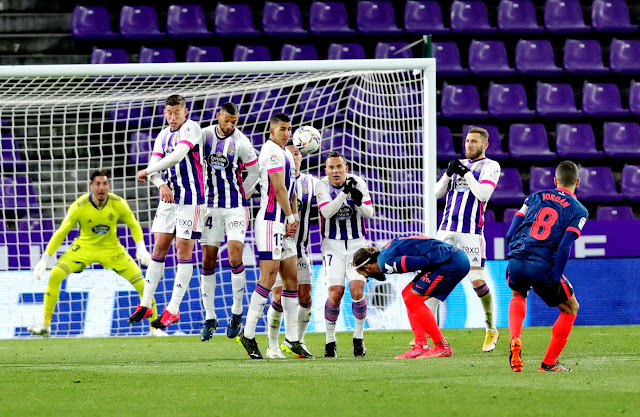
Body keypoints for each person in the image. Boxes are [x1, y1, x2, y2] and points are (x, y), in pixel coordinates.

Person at [29, 171, 165, 337]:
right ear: (91, 186)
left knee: (144, 285)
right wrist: (45, 259)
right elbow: (61, 232)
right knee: (56, 272)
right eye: (98, 184)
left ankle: (154, 328)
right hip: (84, 247)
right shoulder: (79, 206)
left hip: (112, 250)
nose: (101, 188)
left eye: (104, 184)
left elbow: (134, 224)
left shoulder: (118, 203)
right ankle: (45, 325)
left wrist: (141, 247)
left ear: (109, 186)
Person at [236, 113, 311, 360]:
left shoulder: (287, 153)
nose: (286, 133)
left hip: (285, 223)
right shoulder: (271, 151)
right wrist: (290, 217)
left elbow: (290, 190)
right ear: (271, 131)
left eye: (289, 129)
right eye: (282, 129)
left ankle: (291, 339)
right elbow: (278, 187)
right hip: (270, 223)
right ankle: (247, 334)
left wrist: (295, 216)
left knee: (291, 280)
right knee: (268, 278)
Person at [128, 94, 204, 330]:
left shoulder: (192, 128)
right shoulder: (162, 135)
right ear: (164, 113)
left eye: (177, 113)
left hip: (191, 199)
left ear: (185, 112)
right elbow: (154, 169)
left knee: (183, 250)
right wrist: (159, 183)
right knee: (159, 247)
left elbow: (178, 155)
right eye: (169, 113)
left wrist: (149, 170)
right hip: (169, 199)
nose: (173, 117)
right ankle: (146, 304)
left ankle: (173, 309)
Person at [505, 161, 587, 372]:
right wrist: (555, 275)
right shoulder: (579, 210)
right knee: (570, 308)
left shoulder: (534, 197)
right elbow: (564, 248)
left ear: (554, 181)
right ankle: (549, 363)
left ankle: (515, 339)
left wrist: (515, 254)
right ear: (577, 181)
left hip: (516, 259)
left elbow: (509, 233)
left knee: (517, 294)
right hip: (542, 266)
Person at [434, 127, 501, 352]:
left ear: (485, 145)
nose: (469, 145)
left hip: (471, 233)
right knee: (435, 278)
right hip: (446, 231)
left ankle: (491, 328)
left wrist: (466, 174)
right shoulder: (458, 165)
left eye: (474, 142)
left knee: (477, 282)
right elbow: (436, 194)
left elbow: (483, 195)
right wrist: (447, 173)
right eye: (467, 141)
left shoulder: (490, 166)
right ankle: (427, 332)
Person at [353, 235, 470, 359]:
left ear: (367, 267)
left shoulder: (385, 264)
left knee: (413, 298)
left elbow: (424, 262)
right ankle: (420, 346)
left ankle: (441, 346)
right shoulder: (384, 254)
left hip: (451, 262)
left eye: (363, 274)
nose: (367, 278)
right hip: (451, 259)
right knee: (407, 294)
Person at [199, 102, 260, 341]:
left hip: (235, 208)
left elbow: (255, 172)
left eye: (234, 122)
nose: (230, 125)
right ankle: (210, 316)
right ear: (218, 116)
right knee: (207, 260)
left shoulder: (242, 143)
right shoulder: (204, 135)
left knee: (235, 258)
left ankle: (236, 312)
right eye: (227, 121)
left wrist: (242, 194)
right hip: (211, 208)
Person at [315, 151, 374, 357]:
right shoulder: (321, 185)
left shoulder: (358, 182)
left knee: (357, 290)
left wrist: (357, 201)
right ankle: (330, 341)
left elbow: (370, 213)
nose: (335, 171)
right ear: (326, 170)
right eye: (331, 167)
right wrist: (342, 195)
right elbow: (326, 212)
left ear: (346, 168)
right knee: (335, 294)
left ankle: (358, 338)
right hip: (332, 246)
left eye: (339, 167)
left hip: (358, 245)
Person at [265, 142, 318, 359]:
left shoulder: (311, 182)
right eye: (289, 154)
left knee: (305, 298)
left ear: (301, 157)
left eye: (297, 154)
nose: (294, 157)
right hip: (279, 247)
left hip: (301, 249)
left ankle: (299, 341)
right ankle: (273, 345)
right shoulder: (277, 179)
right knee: (278, 297)